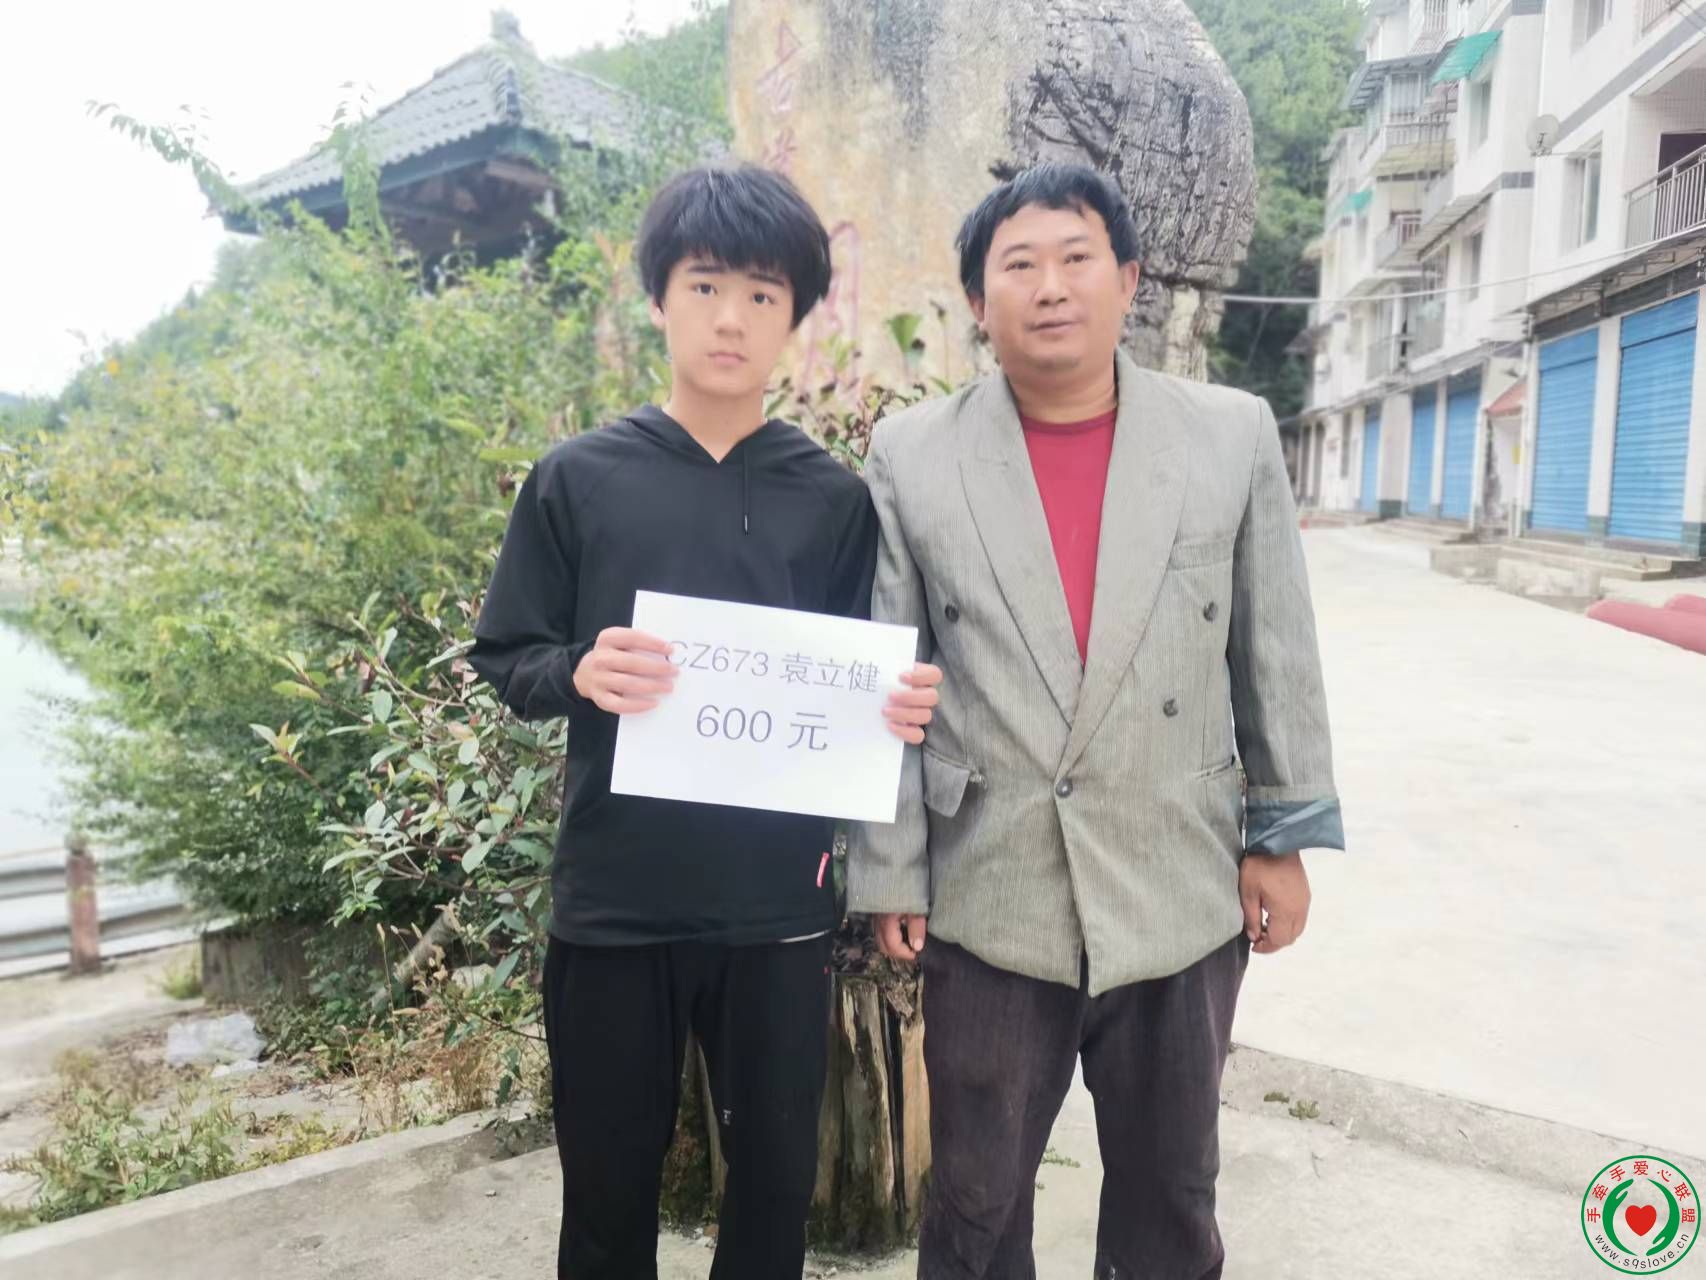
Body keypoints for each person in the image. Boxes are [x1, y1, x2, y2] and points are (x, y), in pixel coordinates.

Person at [848, 162, 1344, 1280]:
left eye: (1076, 258)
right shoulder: (912, 454)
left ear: (1127, 280)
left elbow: (1275, 649)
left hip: (1177, 874)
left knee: (1172, 1194)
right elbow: (892, 667)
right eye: (1017, 265)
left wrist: (1281, 836)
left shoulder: (1228, 434)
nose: (1049, 286)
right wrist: (890, 867)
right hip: (990, 886)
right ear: (977, 301)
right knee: (973, 1202)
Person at [470, 164, 942, 1280]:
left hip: (774, 914)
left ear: (796, 316)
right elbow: (506, 658)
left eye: (763, 294)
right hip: (614, 907)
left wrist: (895, 700)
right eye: (705, 286)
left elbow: (853, 679)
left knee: (774, 1190)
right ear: (658, 299)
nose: (732, 318)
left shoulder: (830, 498)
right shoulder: (578, 478)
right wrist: (580, 671)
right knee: (605, 1191)